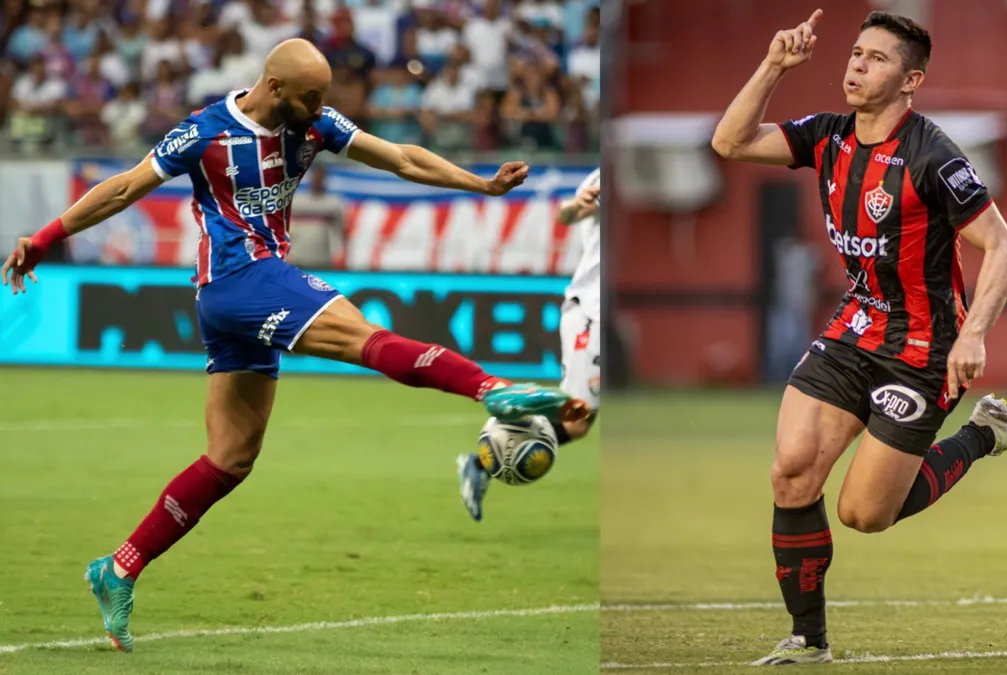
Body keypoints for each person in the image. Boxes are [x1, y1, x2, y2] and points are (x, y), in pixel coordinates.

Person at [1, 38, 587, 653]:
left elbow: (402, 160)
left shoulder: (316, 123)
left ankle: (117, 568)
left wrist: (480, 185)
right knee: (370, 338)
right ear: (275, 87)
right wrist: (44, 239)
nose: (321, 108)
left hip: (233, 299)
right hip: (242, 278)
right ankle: (493, 390)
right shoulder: (203, 133)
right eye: (311, 97)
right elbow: (124, 188)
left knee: (230, 459)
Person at [709, 10, 1007, 665]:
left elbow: (1004, 247)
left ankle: (980, 434)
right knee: (792, 471)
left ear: (911, 79)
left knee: (865, 513)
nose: (857, 67)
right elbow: (731, 143)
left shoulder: (933, 157)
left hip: (923, 352)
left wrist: (973, 336)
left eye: (876, 59)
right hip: (855, 331)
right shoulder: (827, 139)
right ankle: (809, 640)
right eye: (855, 54)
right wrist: (774, 63)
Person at [457, 167, 601, 521]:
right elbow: (567, 214)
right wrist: (578, 204)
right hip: (592, 310)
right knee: (577, 417)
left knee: (585, 419)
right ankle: (483, 458)